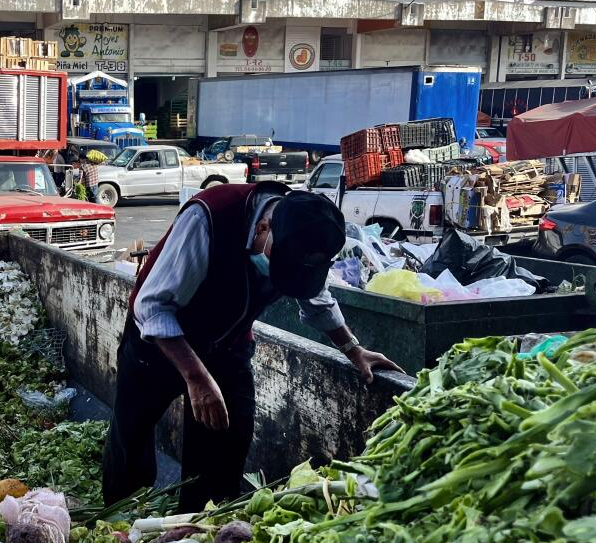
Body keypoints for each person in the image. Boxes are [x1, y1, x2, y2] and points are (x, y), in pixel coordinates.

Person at [102, 182, 403, 513]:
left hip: (227, 346)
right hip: (158, 341)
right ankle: (121, 520)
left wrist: (353, 349)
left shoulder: (303, 235)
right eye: (278, 268)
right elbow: (152, 307)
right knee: (132, 434)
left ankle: (199, 522)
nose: (277, 279)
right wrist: (196, 377)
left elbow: (316, 301)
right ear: (262, 228)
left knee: (226, 443)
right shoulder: (208, 217)